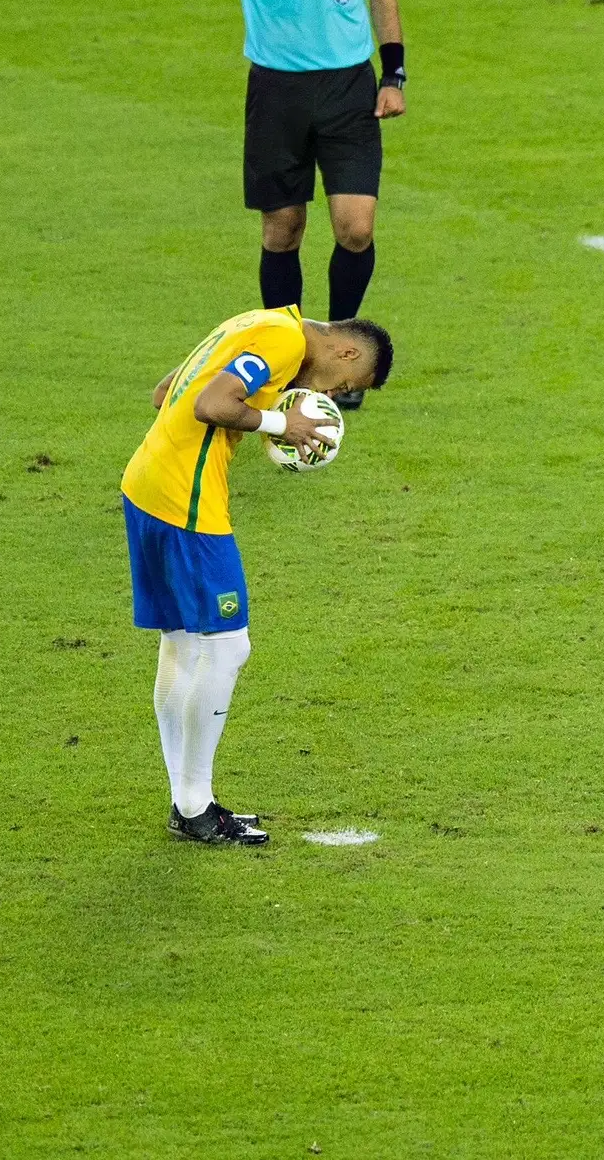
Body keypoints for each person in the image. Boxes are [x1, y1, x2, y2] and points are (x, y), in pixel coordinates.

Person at [121, 304, 394, 844]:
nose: (336, 396)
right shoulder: (285, 342)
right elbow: (211, 404)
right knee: (226, 647)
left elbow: (165, 392)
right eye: (346, 386)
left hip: (145, 486)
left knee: (182, 645)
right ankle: (196, 806)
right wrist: (280, 421)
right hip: (186, 504)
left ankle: (188, 803)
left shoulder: (256, 322)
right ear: (344, 351)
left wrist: (268, 410)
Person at [175, 0, 406, 412]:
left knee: (355, 229)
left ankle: (336, 356)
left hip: (349, 87)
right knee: (284, 229)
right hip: (277, 92)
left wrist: (395, 73)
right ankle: (286, 355)